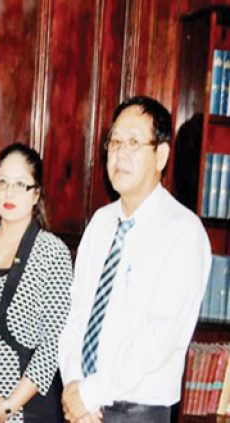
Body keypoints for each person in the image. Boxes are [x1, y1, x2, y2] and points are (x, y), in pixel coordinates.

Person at [58, 96, 211, 422]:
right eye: (114, 142)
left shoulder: (183, 232)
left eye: (133, 143)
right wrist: (73, 385)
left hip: (136, 412)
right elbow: (77, 313)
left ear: (162, 155)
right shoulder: (100, 223)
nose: (120, 154)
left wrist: (89, 393)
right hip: (79, 406)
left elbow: (157, 340)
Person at [0, 143, 72, 422]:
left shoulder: (53, 252)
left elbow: (54, 342)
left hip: (25, 408)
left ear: (36, 193)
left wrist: (9, 406)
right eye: (2, 182)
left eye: (20, 184)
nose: (9, 192)